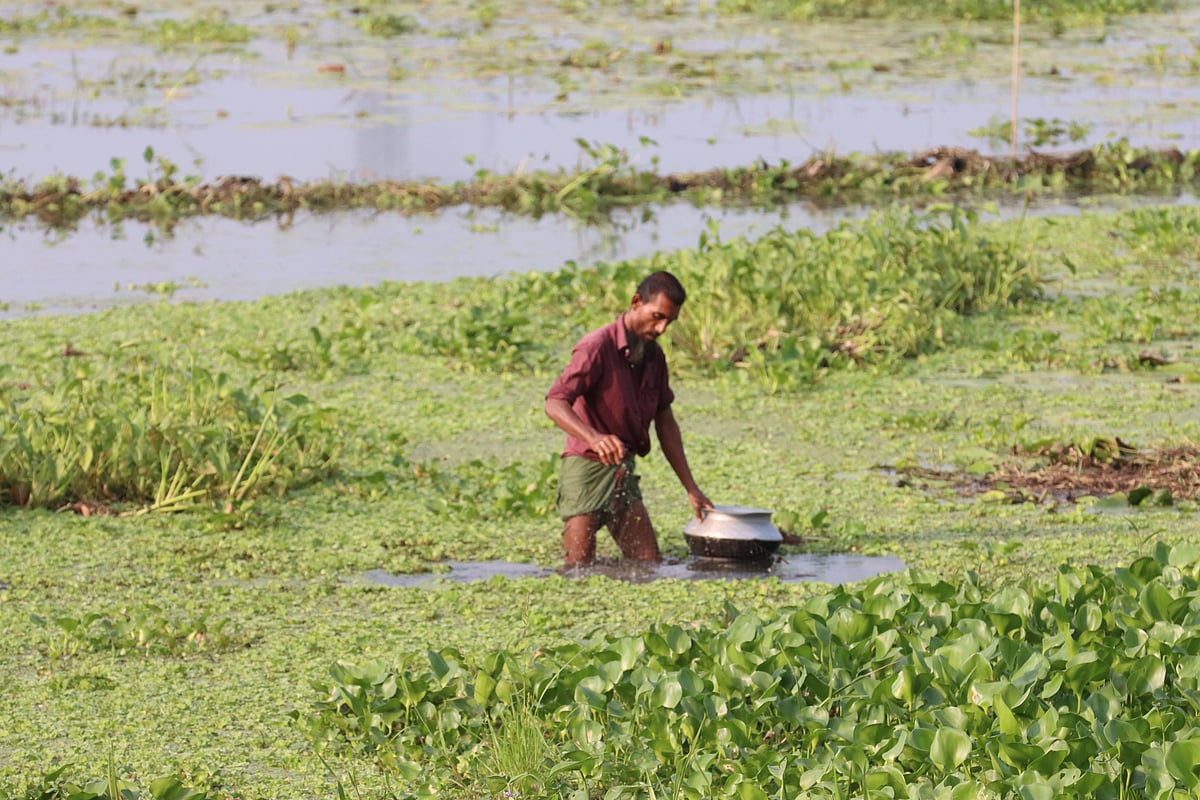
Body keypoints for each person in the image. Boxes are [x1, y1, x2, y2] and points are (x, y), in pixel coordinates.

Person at [545, 270, 712, 567]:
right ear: (636, 302)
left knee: (649, 564)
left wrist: (691, 487)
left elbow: (666, 423)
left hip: (623, 471)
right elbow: (555, 403)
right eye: (656, 316)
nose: (661, 328)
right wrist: (594, 437)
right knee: (576, 570)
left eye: (669, 322)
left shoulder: (655, 357)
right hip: (586, 470)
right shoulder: (596, 346)